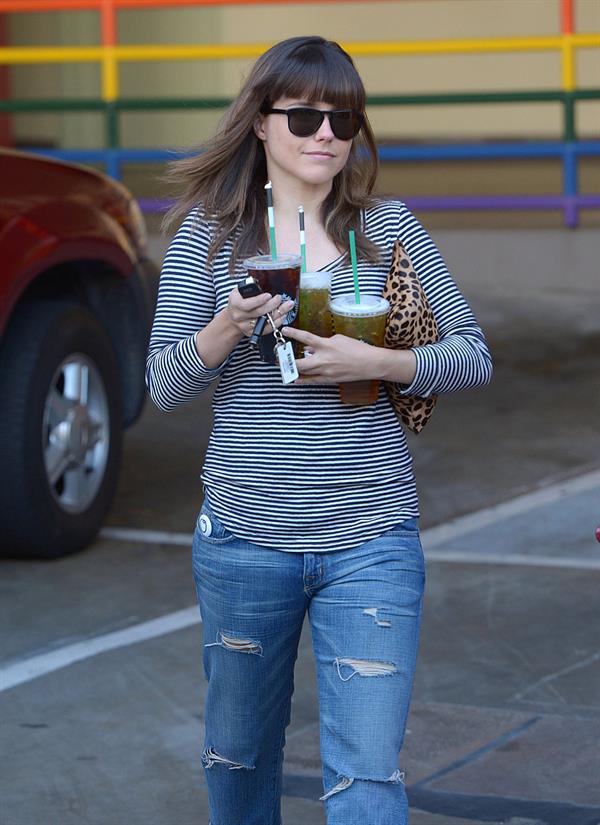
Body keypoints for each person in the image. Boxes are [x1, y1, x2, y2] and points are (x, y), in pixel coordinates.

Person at [146, 35, 492, 825]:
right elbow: (163, 386)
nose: (325, 134)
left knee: (367, 777)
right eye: (303, 116)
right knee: (238, 759)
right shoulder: (210, 236)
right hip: (244, 536)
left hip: (371, 533)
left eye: (342, 118)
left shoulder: (388, 227)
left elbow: (473, 357)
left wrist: (377, 359)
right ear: (261, 122)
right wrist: (227, 326)